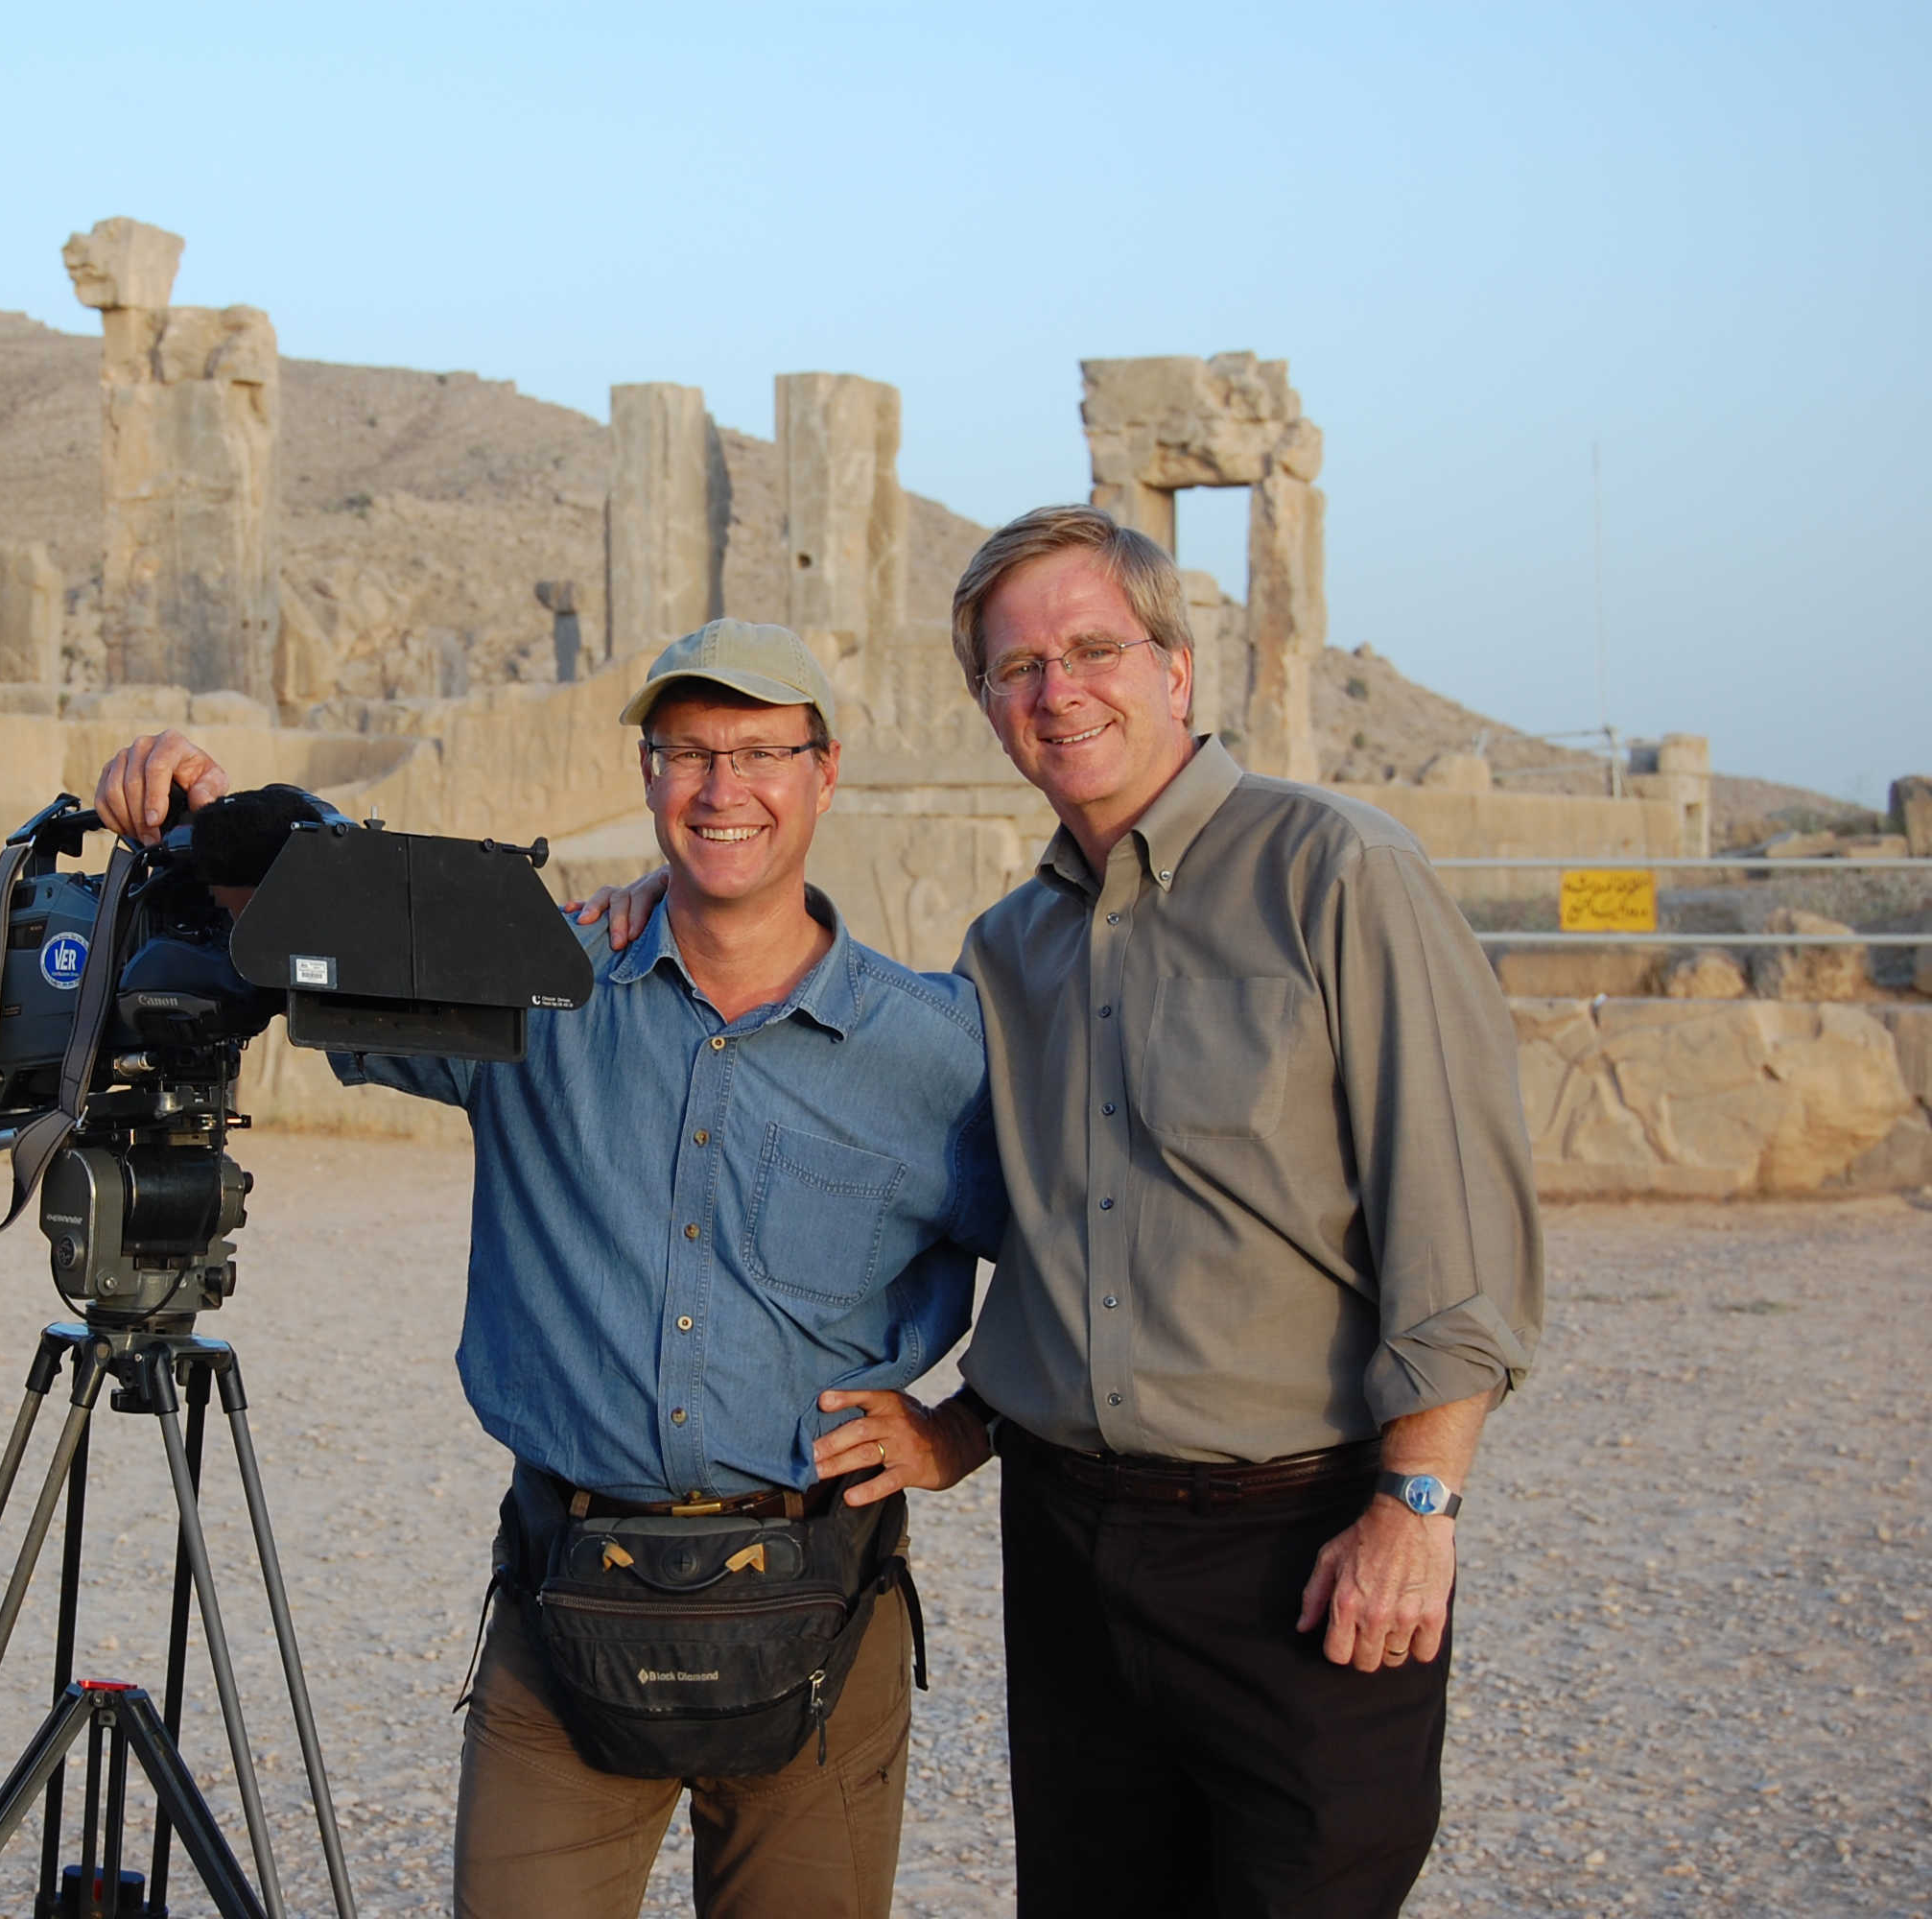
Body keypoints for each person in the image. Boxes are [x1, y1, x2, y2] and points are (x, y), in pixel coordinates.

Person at [586, 508, 1544, 1916]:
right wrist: (960, 1423)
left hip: (1303, 1539)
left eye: (1094, 648)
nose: (1057, 690)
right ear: (985, 704)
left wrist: (1418, 1503)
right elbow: (1029, 1232)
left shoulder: (1335, 873)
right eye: (1017, 667)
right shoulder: (1010, 950)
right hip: (1071, 1549)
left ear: (1176, 670)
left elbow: (1451, 1211)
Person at [94, 619, 1002, 1919]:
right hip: (564, 1603)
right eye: (686, 752)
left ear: (825, 771)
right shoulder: (536, 985)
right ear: (646, 775)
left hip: (825, 1618)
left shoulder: (935, 1051)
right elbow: (316, 932)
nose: (721, 787)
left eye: (759, 752)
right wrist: (202, 805)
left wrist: (962, 1428)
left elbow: (1081, 1264)